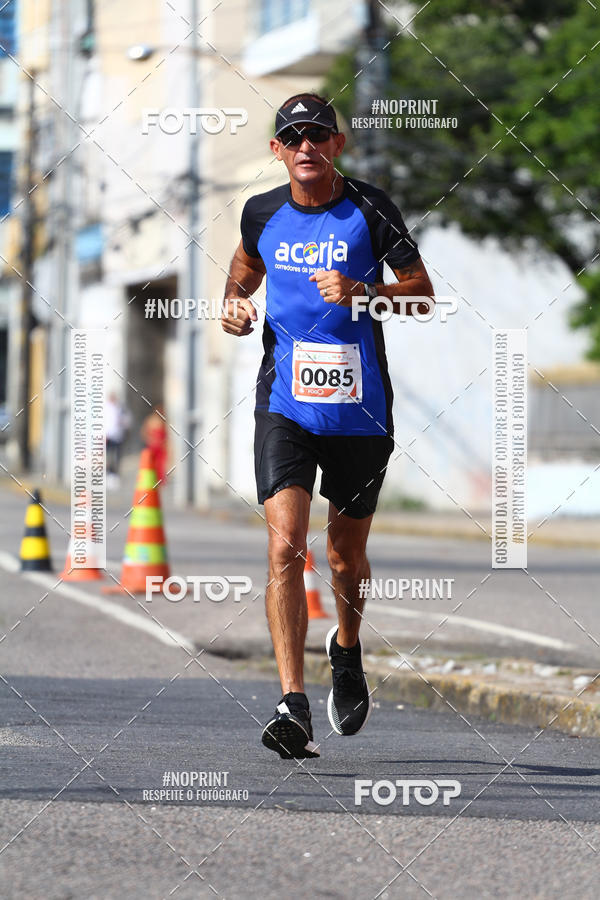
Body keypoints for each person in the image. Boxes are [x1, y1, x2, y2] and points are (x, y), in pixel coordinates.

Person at [221, 92, 434, 759]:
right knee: (286, 548)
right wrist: (233, 303)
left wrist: (364, 292)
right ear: (278, 151)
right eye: (294, 137)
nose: (307, 146)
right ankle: (292, 701)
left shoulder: (370, 209)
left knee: (343, 554)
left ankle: (346, 649)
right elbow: (245, 268)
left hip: (362, 413)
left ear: (337, 146)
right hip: (284, 405)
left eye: (319, 135)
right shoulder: (261, 211)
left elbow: (424, 294)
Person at [105, 392, 130, 488]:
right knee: (109, 457)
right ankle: (109, 474)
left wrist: (123, 422)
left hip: (118, 436)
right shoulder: (105, 408)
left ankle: (115, 475)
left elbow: (127, 420)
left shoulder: (120, 408)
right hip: (108, 436)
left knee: (117, 457)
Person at [141, 406, 169, 486]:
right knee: (153, 463)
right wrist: (150, 440)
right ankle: (153, 479)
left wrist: (165, 443)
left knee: (161, 464)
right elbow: (144, 432)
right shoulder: (150, 420)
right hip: (153, 447)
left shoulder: (163, 421)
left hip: (161, 447)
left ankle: (160, 480)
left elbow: (166, 435)